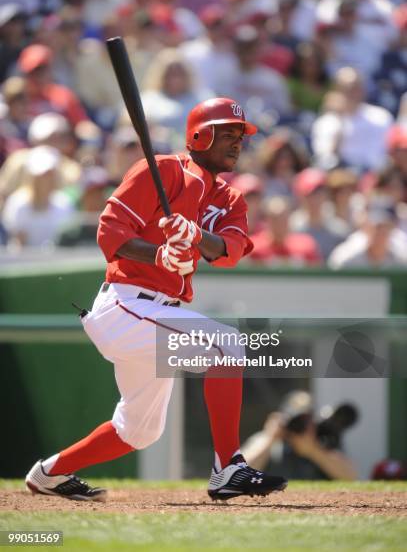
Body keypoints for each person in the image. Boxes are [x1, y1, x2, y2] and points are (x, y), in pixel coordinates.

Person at [25, 97, 288, 502]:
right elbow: (110, 234)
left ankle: (48, 473)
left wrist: (196, 237)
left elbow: (231, 251)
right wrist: (160, 254)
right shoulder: (164, 169)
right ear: (200, 135)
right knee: (226, 344)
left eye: (241, 136)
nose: (237, 143)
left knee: (140, 431)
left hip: (157, 315)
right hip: (126, 306)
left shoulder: (230, 199)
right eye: (228, 134)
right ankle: (227, 468)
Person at [241, 391, 357, 480]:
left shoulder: (322, 442)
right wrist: (270, 439)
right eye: (296, 420)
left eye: (306, 420)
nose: (301, 426)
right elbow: (241, 473)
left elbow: (350, 476)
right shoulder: (266, 440)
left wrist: (314, 451)